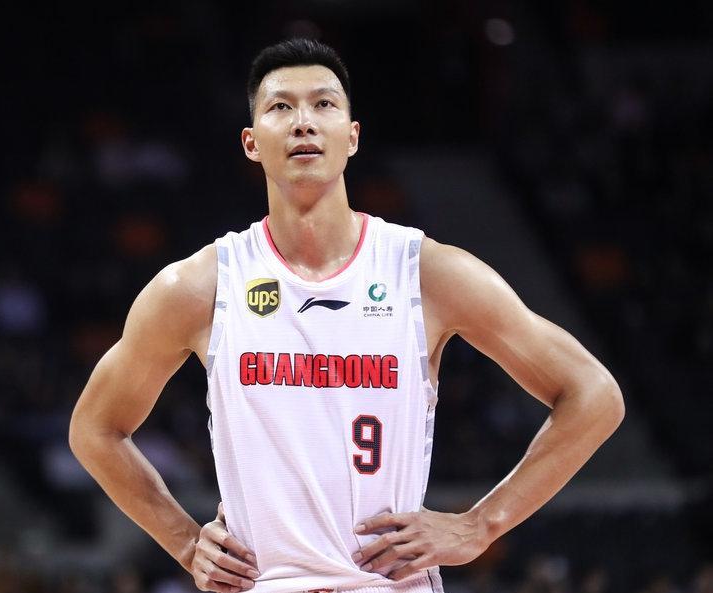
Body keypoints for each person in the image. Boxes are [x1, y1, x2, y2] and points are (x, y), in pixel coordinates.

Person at [68, 38, 624, 593]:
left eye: (323, 104)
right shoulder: (200, 286)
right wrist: (186, 543)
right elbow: (95, 429)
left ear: (352, 136)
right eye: (280, 107)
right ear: (251, 143)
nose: (303, 122)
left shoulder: (426, 273)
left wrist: (480, 526)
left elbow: (594, 394)